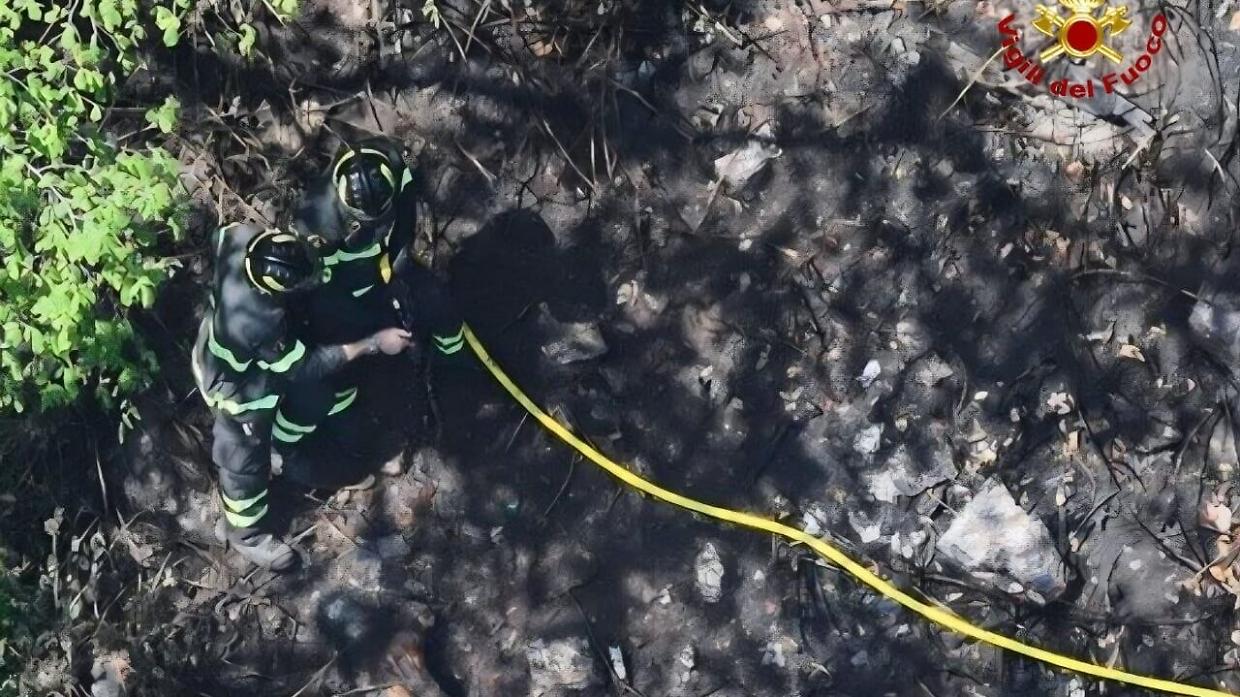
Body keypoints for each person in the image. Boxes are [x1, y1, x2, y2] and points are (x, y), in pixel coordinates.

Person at [191, 223, 412, 570]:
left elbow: (218, 233)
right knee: (243, 461)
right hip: (237, 387)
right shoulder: (259, 321)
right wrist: (372, 343)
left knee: (318, 396)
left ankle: (297, 444)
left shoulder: (239, 237)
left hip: (233, 349)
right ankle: (245, 533)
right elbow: (304, 367)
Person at [291, 139, 465, 356]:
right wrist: (373, 332)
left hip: (392, 256)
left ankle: (452, 354)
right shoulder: (315, 219)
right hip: (348, 284)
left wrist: (397, 268)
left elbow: (410, 196)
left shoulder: (400, 157)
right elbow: (321, 281)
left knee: (436, 300)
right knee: (331, 334)